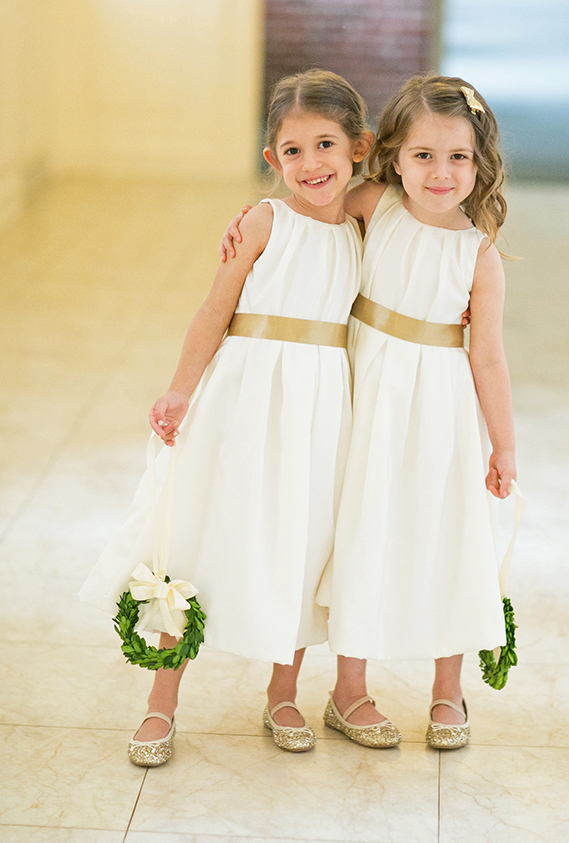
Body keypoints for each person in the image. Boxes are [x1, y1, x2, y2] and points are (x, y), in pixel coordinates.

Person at [79, 68, 373, 764]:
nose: (311, 164)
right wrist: (181, 389)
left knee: (305, 538)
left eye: (326, 144)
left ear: (358, 148)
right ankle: (160, 701)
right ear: (272, 160)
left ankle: (283, 690)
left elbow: (421, 198)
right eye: (292, 150)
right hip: (243, 394)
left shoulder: (367, 220)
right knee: (197, 536)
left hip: (321, 402)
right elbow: (216, 309)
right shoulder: (266, 220)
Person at [221, 75, 515, 751]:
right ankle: (347, 690)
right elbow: (304, 204)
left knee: (449, 531)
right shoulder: (374, 204)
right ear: (392, 156)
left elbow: (490, 358)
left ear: (481, 164)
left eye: (458, 158)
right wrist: (247, 218)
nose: (440, 173)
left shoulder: (480, 255)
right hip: (364, 390)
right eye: (422, 156)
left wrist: (504, 447)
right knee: (360, 528)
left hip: (440, 402)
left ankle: (449, 688)